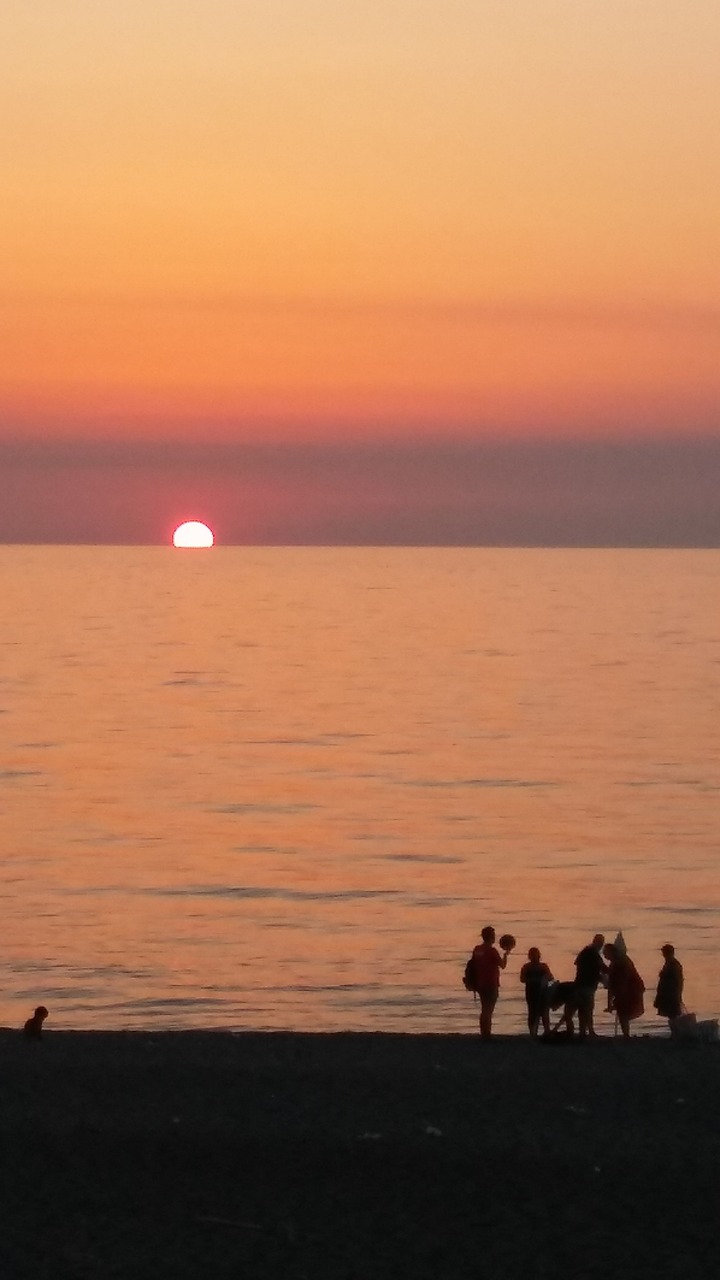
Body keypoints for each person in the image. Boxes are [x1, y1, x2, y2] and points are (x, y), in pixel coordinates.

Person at [471, 926, 510, 1039]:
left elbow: (474, 964)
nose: (494, 938)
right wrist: (506, 954)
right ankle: (487, 1033)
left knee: (484, 1009)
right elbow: (502, 965)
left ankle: (484, 1032)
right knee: (489, 1009)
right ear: (490, 937)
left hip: (480, 983)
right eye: (493, 936)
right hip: (491, 983)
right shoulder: (492, 951)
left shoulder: (477, 949)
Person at [603, 943, 645, 1037]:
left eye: (605, 953)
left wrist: (618, 996)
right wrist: (609, 1003)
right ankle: (626, 1034)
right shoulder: (616, 962)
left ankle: (626, 1035)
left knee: (624, 1013)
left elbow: (624, 978)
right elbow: (611, 984)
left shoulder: (621, 962)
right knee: (623, 1013)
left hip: (630, 990)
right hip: (625, 989)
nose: (604, 955)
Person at [574, 934, 609, 1039]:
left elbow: (577, 962)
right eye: (600, 943)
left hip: (581, 983)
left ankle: (583, 1031)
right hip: (586, 984)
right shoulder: (592, 953)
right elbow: (601, 968)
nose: (601, 946)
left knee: (583, 1008)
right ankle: (589, 1031)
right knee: (587, 1008)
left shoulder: (587, 951)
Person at [520, 947, 554, 1036]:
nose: (535, 957)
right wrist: (535, 980)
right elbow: (522, 979)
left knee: (544, 1013)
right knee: (532, 1012)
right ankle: (533, 1032)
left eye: (536, 955)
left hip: (543, 991)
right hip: (531, 992)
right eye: (533, 955)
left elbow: (551, 977)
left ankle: (546, 1031)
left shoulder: (543, 966)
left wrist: (544, 979)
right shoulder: (526, 967)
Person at [654, 944, 684, 1023]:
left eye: (665, 953)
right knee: (671, 1014)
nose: (664, 955)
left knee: (673, 1014)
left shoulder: (674, 964)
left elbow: (678, 980)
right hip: (668, 993)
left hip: (671, 993)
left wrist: (678, 994)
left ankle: (676, 1032)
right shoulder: (669, 963)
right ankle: (675, 1031)